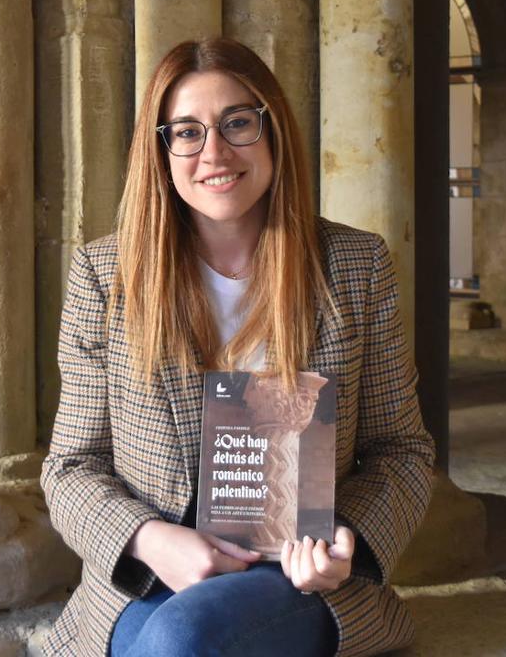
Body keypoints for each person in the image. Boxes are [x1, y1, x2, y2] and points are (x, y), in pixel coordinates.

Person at [40, 37, 435, 657]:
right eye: (188, 132)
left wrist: (341, 537)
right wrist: (148, 538)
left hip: (293, 576)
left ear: (271, 128)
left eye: (237, 123)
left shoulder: (356, 266)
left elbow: (402, 452)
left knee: (179, 641)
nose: (215, 153)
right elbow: (69, 469)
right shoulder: (105, 275)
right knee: (168, 638)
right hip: (156, 571)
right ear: (161, 150)